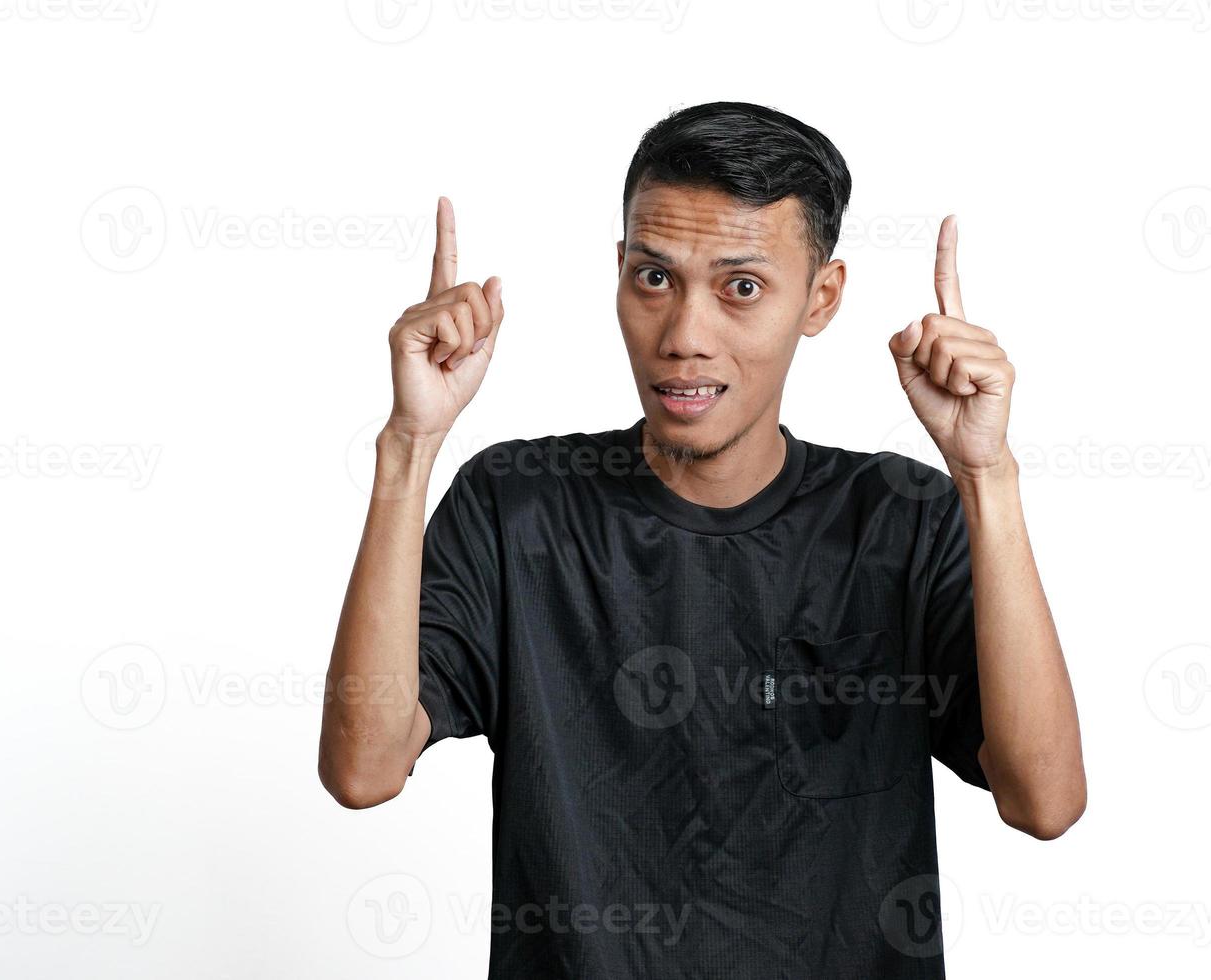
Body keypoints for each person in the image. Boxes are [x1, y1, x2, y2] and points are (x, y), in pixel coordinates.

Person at [318, 101, 1085, 978]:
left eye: (742, 287)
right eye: (653, 278)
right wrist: (407, 447)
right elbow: (364, 769)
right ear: (617, 272)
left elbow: (1046, 800)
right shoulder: (517, 507)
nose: (684, 336)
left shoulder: (899, 518)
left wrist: (986, 476)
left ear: (820, 298)